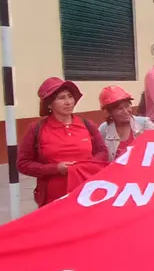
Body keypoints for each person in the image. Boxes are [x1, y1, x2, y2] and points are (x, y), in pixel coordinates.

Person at [18, 78, 109, 207]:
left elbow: (102, 152)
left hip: (87, 193)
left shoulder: (87, 124)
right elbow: (23, 164)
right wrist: (55, 169)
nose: (68, 102)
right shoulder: (36, 129)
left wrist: (86, 165)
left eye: (70, 96)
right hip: (53, 198)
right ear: (49, 104)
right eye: (61, 98)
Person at [97, 85, 154, 161]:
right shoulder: (103, 129)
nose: (126, 111)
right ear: (109, 112)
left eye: (127, 106)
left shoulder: (144, 124)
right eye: (120, 108)